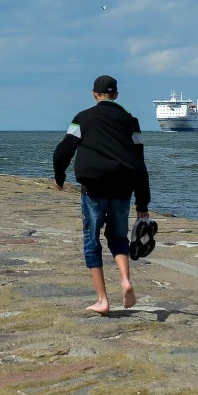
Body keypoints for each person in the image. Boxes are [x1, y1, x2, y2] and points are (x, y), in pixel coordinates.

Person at [52, 75, 151, 314]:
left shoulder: (82, 118)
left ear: (94, 94)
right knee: (118, 237)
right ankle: (126, 281)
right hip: (122, 187)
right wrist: (142, 202)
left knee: (91, 240)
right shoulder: (131, 121)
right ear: (116, 95)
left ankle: (102, 300)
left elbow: (62, 151)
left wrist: (60, 177)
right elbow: (139, 161)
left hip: (93, 187)